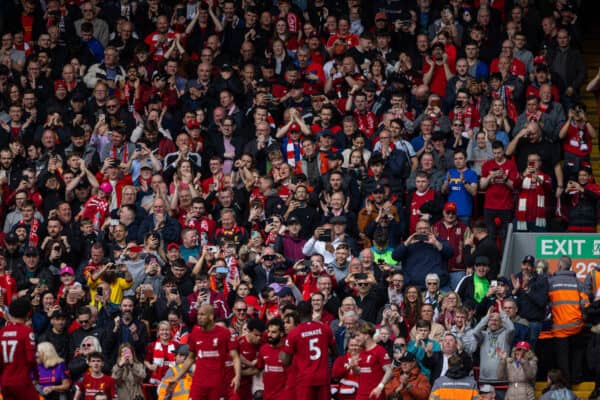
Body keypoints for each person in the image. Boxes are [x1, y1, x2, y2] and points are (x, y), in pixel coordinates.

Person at [167, 304, 241, 400]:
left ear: (211, 316)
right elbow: (190, 358)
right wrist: (176, 378)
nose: (199, 317)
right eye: (198, 315)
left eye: (202, 315)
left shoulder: (224, 333)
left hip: (216, 383)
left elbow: (235, 357)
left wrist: (237, 376)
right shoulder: (195, 334)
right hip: (198, 383)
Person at [280, 300, 337, 400]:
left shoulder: (294, 333)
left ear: (297, 314)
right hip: (323, 378)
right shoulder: (325, 328)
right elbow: (336, 352)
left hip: (305, 380)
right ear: (311, 311)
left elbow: (286, 361)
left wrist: (282, 353)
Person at [0, 297, 38, 400]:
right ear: (28, 313)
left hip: (5, 382)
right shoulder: (26, 331)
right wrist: (36, 376)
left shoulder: (2, 332)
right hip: (21, 381)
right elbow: (31, 358)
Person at [355, 321, 393, 399]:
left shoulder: (379, 350)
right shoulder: (361, 351)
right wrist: (353, 367)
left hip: (375, 394)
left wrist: (380, 387)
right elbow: (360, 372)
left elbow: (389, 371)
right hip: (361, 394)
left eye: (359, 335)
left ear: (366, 336)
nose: (357, 338)